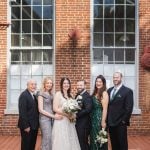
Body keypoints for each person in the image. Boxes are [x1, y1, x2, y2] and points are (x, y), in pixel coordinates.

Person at [52, 77, 81, 150]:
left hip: (69, 121)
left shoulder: (70, 95)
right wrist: (67, 114)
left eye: (68, 83)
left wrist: (73, 114)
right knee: (61, 139)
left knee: (69, 138)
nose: (66, 85)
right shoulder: (58, 94)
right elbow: (55, 108)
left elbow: (73, 108)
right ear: (61, 84)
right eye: (64, 83)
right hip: (61, 120)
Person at [107, 72, 134, 150]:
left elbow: (129, 108)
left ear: (121, 78)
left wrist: (123, 121)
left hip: (120, 124)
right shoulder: (109, 90)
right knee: (114, 144)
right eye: (114, 77)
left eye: (117, 77)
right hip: (111, 122)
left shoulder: (127, 91)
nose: (115, 79)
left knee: (122, 144)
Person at [38, 77, 62, 150]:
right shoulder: (40, 94)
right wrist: (54, 116)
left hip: (52, 119)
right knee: (47, 138)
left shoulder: (52, 94)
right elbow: (40, 110)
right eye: (47, 83)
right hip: (44, 119)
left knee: (51, 137)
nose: (49, 84)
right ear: (44, 84)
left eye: (51, 83)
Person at [18, 79, 39, 150]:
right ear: (27, 85)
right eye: (32, 84)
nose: (34, 86)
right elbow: (22, 112)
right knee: (26, 145)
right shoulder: (24, 95)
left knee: (32, 145)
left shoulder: (33, 95)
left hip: (34, 125)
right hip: (27, 126)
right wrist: (26, 126)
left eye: (35, 84)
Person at [90, 75, 109, 150]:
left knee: (98, 139)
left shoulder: (104, 93)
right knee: (93, 138)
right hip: (93, 118)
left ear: (103, 83)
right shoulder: (95, 92)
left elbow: (105, 109)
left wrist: (103, 122)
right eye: (97, 81)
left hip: (99, 118)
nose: (98, 83)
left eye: (100, 82)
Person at [75, 80, 93, 150]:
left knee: (83, 142)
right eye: (78, 85)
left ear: (85, 86)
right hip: (78, 123)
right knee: (80, 141)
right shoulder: (78, 95)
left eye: (81, 85)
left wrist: (77, 115)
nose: (79, 87)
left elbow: (88, 109)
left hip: (84, 124)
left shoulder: (87, 96)